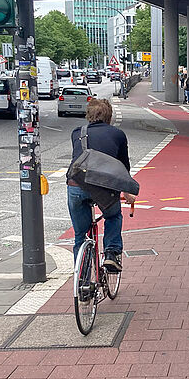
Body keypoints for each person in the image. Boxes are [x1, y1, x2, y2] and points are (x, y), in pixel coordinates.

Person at [68, 98, 136, 273]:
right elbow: (123, 166)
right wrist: (128, 192)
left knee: (79, 237)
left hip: (76, 185)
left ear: (88, 115)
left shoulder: (77, 132)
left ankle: (82, 286)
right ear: (109, 116)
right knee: (113, 216)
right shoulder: (117, 134)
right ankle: (112, 254)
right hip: (104, 187)